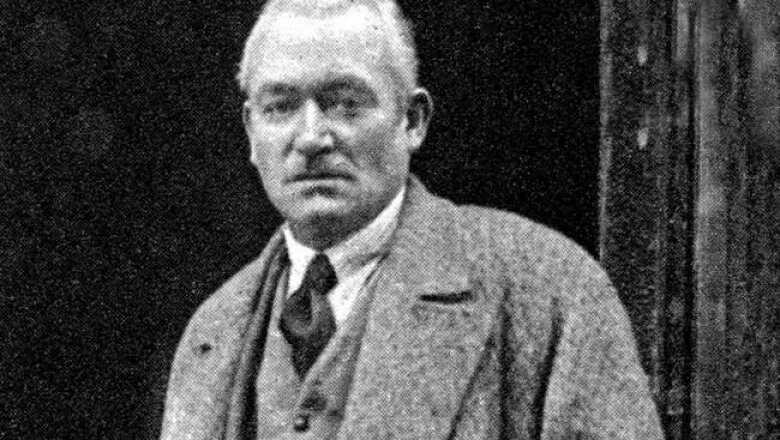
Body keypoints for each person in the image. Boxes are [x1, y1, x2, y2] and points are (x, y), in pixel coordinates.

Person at [160, 1, 663, 439]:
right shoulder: (214, 331)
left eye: (346, 104)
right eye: (280, 107)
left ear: (413, 121)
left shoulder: (547, 289)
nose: (311, 137)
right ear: (251, 132)